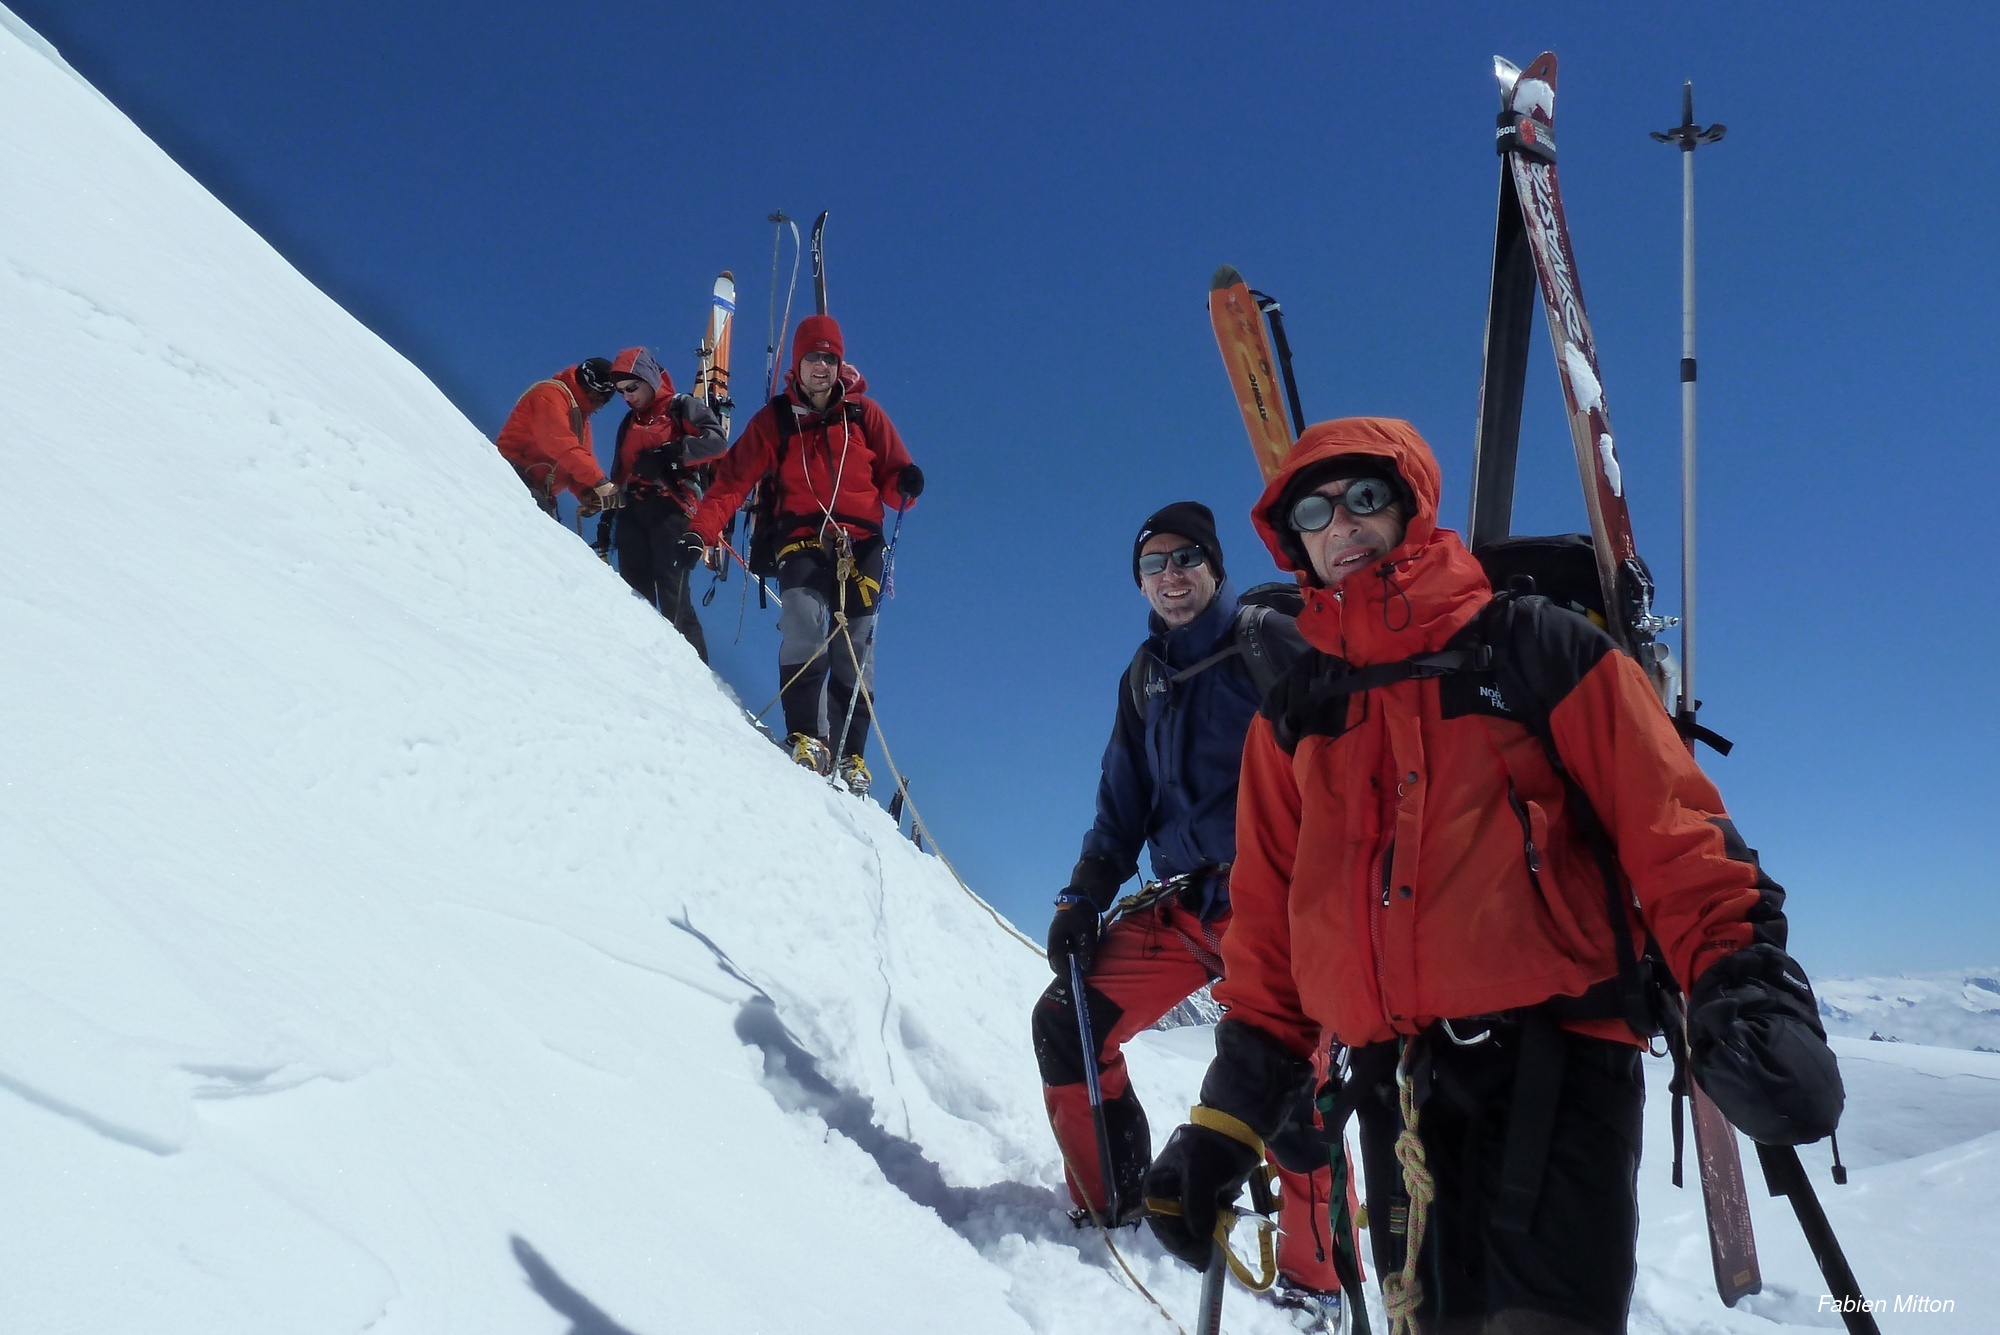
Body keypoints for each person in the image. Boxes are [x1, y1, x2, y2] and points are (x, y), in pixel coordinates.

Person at [1142, 417, 1844, 1335]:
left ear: (1411, 504)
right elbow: (1272, 935)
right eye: (1313, 511)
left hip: (1559, 1069)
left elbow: (1675, 832)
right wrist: (1228, 1120)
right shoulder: (1296, 718)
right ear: (1293, 541)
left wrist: (1746, 988)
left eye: (1364, 497)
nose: (1340, 524)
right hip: (1399, 1092)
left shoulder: (1538, 648)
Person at [1029, 502, 1342, 1315]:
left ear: (1214, 565)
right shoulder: (1145, 677)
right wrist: (1084, 894)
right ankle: (1113, 1199)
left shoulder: (1266, 640)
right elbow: (1122, 804)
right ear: (1139, 580)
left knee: (1289, 1091)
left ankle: (1316, 1281)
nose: (1170, 575)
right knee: (1067, 1018)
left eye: (1185, 558)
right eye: (1153, 563)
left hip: (1273, 905)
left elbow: (1340, 755)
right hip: (1186, 906)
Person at [679, 315, 922, 794]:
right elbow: (732, 482)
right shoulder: (775, 420)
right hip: (802, 535)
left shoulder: (865, 415)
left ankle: (851, 754)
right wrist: (700, 531)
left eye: (830, 358)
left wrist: (906, 483)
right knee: (804, 621)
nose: (821, 367)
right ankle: (807, 735)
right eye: (813, 356)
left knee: (856, 646)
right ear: (798, 361)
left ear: (840, 363)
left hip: (862, 543)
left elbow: (896, 482)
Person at [602, 347, 727, 661]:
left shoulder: (681, 406)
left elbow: (717, 442)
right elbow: (619, 474)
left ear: (649, 379)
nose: (627, 397)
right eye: (621, 392)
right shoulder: (628, 423)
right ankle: (640, 665)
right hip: (633, 511)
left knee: (674, 595)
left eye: (632, 387)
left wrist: (670, 455)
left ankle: (696, 674)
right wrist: (606, 521)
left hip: (673, 509)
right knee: (633, 592)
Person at [494, 357, 623, 518]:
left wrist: (588, 492)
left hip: (537, 491)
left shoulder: (580, 420)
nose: (600, 406)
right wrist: (599, 482)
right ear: (590, 389)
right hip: (511, 476)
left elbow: (576, 463)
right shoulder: (549, 395)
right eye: (600, 398)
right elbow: (559, 443)